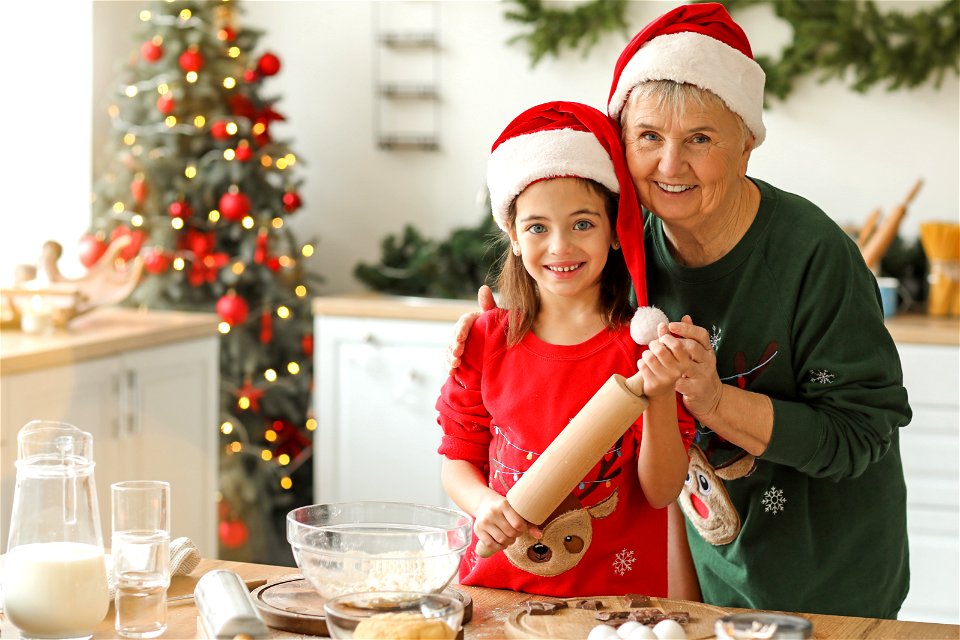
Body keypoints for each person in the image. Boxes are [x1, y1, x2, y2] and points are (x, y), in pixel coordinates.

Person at [447, 3, 911, 619]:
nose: (669, 166)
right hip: (704, 582)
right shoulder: (628, 249)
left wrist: (713, 400)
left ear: (746, 143)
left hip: (826, 582)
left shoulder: (815, 255)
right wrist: (501, 322)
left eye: (700, 138)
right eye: (648, 138)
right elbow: (554, 277)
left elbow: (862, 432)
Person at [435, 101, 695, 598]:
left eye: (582, 224)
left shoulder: (645, 351)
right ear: (512, 235)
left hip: (611, 606)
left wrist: (660, 393)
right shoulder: (486, 341)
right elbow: (457, 458)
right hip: (496, 593)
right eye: (537, 227)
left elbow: (661, 491)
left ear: (615, 230)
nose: (560, 247)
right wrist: (483, 502)